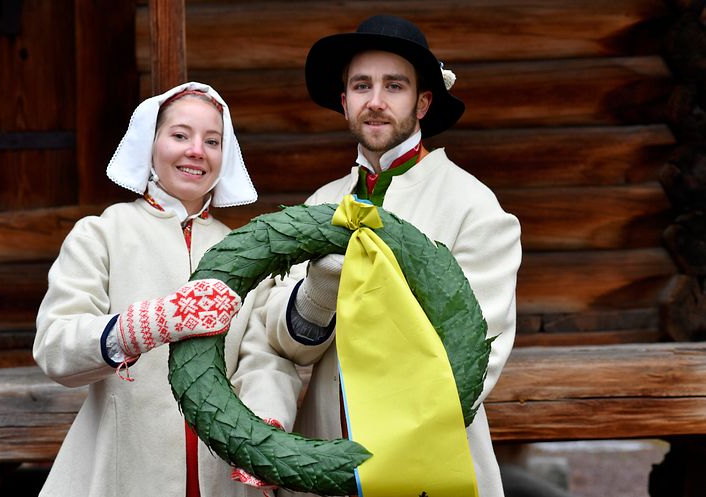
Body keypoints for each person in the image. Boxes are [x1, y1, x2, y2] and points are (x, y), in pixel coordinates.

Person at [255, 15, 522, 497]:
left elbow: (476, 358)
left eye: (393, 86)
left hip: (428, 469)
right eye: (361, 86)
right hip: (326, 465)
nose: (375, 102)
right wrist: (316, 295)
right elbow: (283, 342)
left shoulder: (475, 208)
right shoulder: (317, 205)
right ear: (345, 102)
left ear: (422, 103)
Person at [33, 82, 301, 497]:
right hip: (124, 474)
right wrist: (141, 326)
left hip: (222, 479)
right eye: (180, 135)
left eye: (212, 141)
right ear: (150, 144)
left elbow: (262, 357)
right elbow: (55, 346)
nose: (196, 150)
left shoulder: (247, 251)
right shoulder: (102, 234)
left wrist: (262, 430)